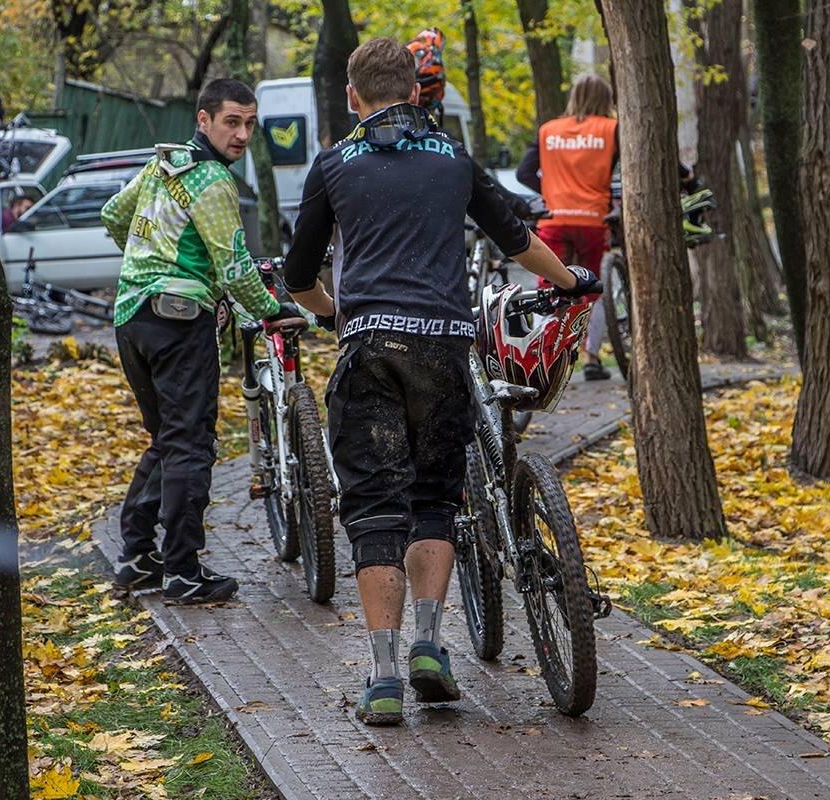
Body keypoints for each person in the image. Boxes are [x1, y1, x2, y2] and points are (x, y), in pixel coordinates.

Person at [282, 37, 598, 726]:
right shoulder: (453, 159)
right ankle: (430, 643)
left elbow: (298, 277)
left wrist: (338, 315)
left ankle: (384, 677)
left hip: (371, 349)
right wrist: (572, 280)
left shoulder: (334, 164)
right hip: (445, 347)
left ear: (351, 96)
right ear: (420, 91)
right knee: (433, 499)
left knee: (373, 509)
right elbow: (516, 237)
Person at [101, 78, 305, 605]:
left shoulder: (162, 166)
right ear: (204, 119)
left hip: (131, 318)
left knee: (168, 440)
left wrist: (149, 266)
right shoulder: (213, 180)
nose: (241, 135)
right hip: (179, 322)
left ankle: (136, 557)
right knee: (191, 445)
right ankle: (183, 572)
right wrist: (271, 309)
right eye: (231, 122)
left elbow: (113, 217)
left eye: (249, 124)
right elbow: (235, 268)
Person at [515, 74, 617, 380]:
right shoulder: (611, 129)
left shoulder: (549, 130)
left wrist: (550, 191)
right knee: (592, 289)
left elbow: (523, 173)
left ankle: (536, 361)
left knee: (548, 287)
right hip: (591, 221)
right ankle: (592, 360)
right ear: (606, 99)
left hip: (555, 218)